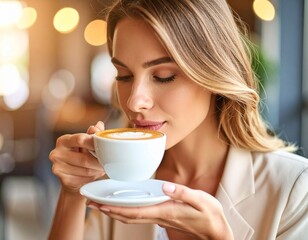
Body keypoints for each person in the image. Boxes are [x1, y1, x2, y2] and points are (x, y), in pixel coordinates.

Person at [48, 0, 308, 239]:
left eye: (163, 76)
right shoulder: (116, 182)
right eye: (124, 75)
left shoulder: (295, 189)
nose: (134, 101)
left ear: (213, 73)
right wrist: (72, 193)